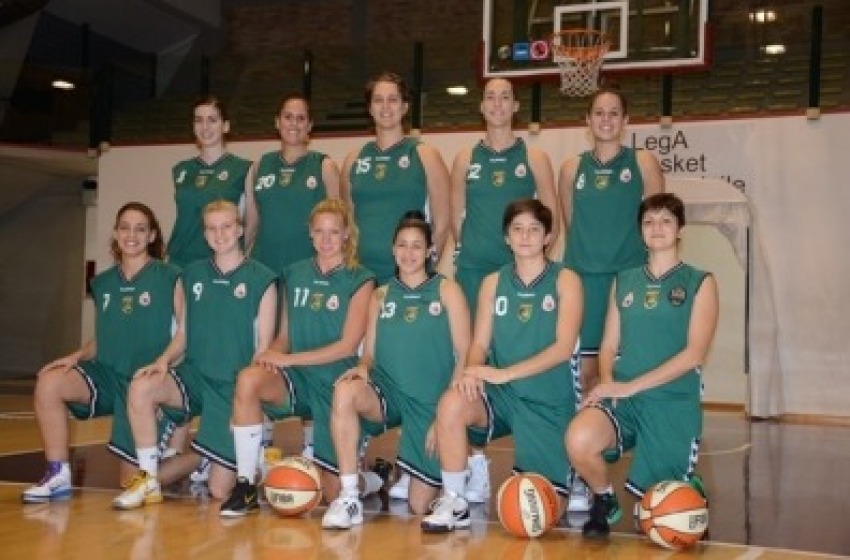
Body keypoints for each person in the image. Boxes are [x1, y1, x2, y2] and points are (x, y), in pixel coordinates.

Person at [414, 76, 560, 506]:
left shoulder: (534, 157)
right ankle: (473, 464)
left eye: (505, 97)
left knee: (514, 360)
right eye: (490, 97)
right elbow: (457, 216)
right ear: (481, 106)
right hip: (475, 272)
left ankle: (543, 456)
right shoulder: (465, 158)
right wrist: (468, 255)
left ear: (515, 106)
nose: (497, 104)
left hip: (520, 274)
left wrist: (534, 264)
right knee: (469, 361)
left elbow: (552, 218)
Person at [420, 199, 583, 533]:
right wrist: (472, 371)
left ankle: (572, 474)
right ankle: (454, 500)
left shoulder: (566, 280)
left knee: (543, 510)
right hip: (503, 396)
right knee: (452, 402)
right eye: (517, 229)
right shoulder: (493, 283)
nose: (525, 236)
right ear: (507, 237)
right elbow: (479, 344)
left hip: (548, 402)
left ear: (548, 237)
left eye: (534, 229)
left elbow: (563, 348)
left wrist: (504, 373)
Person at [565, 192, 718, 539]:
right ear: (640, 231)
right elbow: (608, 345)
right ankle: (604, 499)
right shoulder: (625, 280)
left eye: (666, 221)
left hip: (671, 400)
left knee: (656, 517)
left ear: (680, 229)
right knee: (578, 437)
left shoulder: (700, 282)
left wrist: (629, 386)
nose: (657, 228)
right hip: (625, 399)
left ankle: (687, 483)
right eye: (649, 222)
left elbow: (695, 354)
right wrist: (607, 382)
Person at [113, 200, 277, 509]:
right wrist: (162, 361)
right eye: (212, 228)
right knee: (142, 385)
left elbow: (263, 351)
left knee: (219, 490)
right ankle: (148, 479)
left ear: (240, 229)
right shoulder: (192, 275)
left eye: (226, 226)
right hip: (195, 377)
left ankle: (229, 457)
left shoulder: (262, 279)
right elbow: (183, 334)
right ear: (204, 234)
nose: (219, 234)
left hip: (231, 387)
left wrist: (245, 406)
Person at [220, 198, 375, 517]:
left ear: (347, 234)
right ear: (310, 233)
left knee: (332, 493)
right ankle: (246, 484)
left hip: (336, 385)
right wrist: (270, 355)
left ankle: (374, 478)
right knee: (249, 378)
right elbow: (285, 337)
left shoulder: (361, 279)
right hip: (299, 380)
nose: (326, 240)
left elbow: (348, 346)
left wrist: (290, 360)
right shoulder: (295, 274)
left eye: (334, 232)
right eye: (319, 232)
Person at [22, 202, 181, 504]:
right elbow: (107, 334)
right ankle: (57, 474)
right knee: (50, 381)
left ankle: (201, 459)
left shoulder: (171, 276)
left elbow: (186, 331)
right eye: (125, 228)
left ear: (151, 236)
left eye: (140, 229)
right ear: (115, 233)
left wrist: (164, 365)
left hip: (145, 384)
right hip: (108, 376)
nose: (131, 235)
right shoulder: (104, 283)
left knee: (129, 481)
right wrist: (78, 355)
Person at [321, 211, 471, 529]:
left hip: (429, 403)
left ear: (430, 251)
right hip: (388, 393)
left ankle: (397, 476)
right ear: (393, 249)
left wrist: (444, 417)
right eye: (402, 245)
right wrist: (363, 368)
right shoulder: (381, 295)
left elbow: (465, 355)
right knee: (345, 391)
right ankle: (349, 497)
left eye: (417, 246)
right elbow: (369, 353)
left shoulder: (447, 291)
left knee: (419, 505)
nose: (408, 252)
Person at [559, 86, 664, 509]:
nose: (606, 119)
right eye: (599, 113)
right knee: (585, 377)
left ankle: (651, 472)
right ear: (587, 121)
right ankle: (585, 474)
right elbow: (571, 225)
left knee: (630, 374)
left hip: (628, 283)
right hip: (584, 282)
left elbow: (658, 223)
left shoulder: (642, 162)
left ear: (625, 120)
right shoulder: (571, 168)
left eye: (614, 112)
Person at [244, 93, 342, 459]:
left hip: (308, 279)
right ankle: (262, 438)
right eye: (288, 117)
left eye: (301, 118)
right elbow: (252, 223)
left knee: (305, 354)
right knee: (263, 352)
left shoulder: (324, 166)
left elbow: (339, 219)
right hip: (265, 276)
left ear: (310, 125)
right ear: (277, 121)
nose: (294, 124)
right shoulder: (260, 166)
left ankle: (313, 441)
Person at [341, 71, 451, 285]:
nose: (385, 106)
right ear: (369, 108)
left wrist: (422, 269)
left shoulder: (426, 155)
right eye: (378, 100)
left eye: (393, 99)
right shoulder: (353, 160)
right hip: (361, 276)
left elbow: (442, 223)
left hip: (408, 276)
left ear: (405, 107)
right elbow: (348, 223)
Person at [166, 96, 252, 269]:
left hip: (220, 261)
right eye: (199, 120)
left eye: (212, 120)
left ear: (225, 126)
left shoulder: (244, 169)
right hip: (181, 260)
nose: (205, 127)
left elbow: (250, 223)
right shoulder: (181, 170)